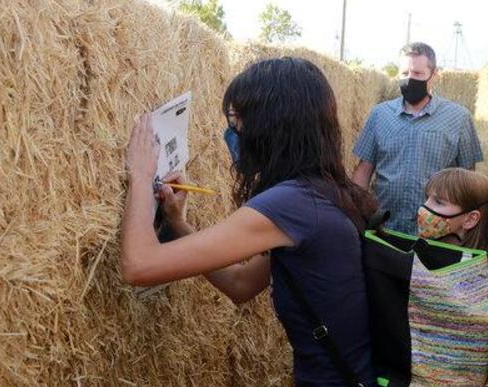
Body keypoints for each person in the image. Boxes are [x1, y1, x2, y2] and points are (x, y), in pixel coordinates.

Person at [121, 57, 378, 386]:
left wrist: (142, 177)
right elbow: (241, 284)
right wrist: (178, 222)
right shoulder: (327, 193)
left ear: (270, 128)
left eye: (238, 123)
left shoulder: (292, 204)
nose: (232, 135)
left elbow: (138, 265)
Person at [352, 42, 484, 235]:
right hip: (384, 227)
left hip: (435, 233)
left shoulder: (459, 118)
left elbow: (468, 178)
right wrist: (357, 214)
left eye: (417, 74)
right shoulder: (380, 115)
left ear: (434, 75)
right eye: (404, 74)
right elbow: (363, 171)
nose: (410, 79)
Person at [416, 167, 488, 272]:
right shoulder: (427, 252)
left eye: (438, 202)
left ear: (470, 219)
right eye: (427, 198)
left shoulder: (471, 275)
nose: (423, 208)